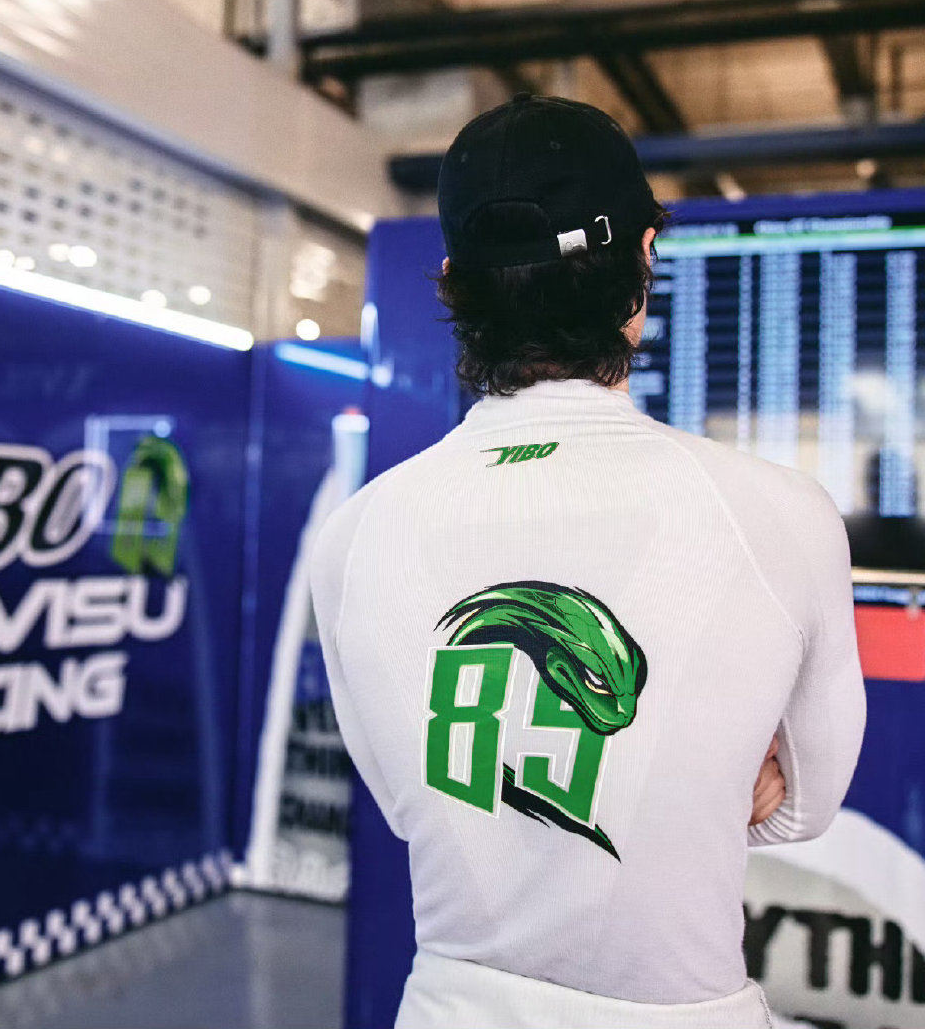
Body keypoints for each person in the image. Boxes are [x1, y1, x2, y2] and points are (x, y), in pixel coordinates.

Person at [310, 93, 866, 1028]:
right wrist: (713, 774)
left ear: (453, 282)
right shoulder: (782, 514)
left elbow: (414, 805)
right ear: (643, 257)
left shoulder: (354, 533)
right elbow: (799, 811)